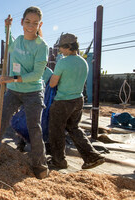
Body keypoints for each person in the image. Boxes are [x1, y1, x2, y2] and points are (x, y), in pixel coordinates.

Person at [0, 6, 49, 179]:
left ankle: (40, 166)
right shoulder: (17, 41)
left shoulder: (41, 46)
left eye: (35, 23)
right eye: (27, 22)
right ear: (21, 22)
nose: (30, 26)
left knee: (34, 129)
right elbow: (9, 43)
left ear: (40, 24)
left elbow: (37, 74)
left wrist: (13, 78)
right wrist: (6, 28)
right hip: (14, 91)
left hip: (33, 91)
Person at [48, 33, 105, 169]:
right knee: (74, 128)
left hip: (63, 101)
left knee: (56, 131)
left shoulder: (62, 62)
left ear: (67, 47)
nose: (60, 50)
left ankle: (59, 161)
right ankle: (92, 156)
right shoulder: (83, 62)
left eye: (61, 47)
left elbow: (52, 84)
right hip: (78, 100)